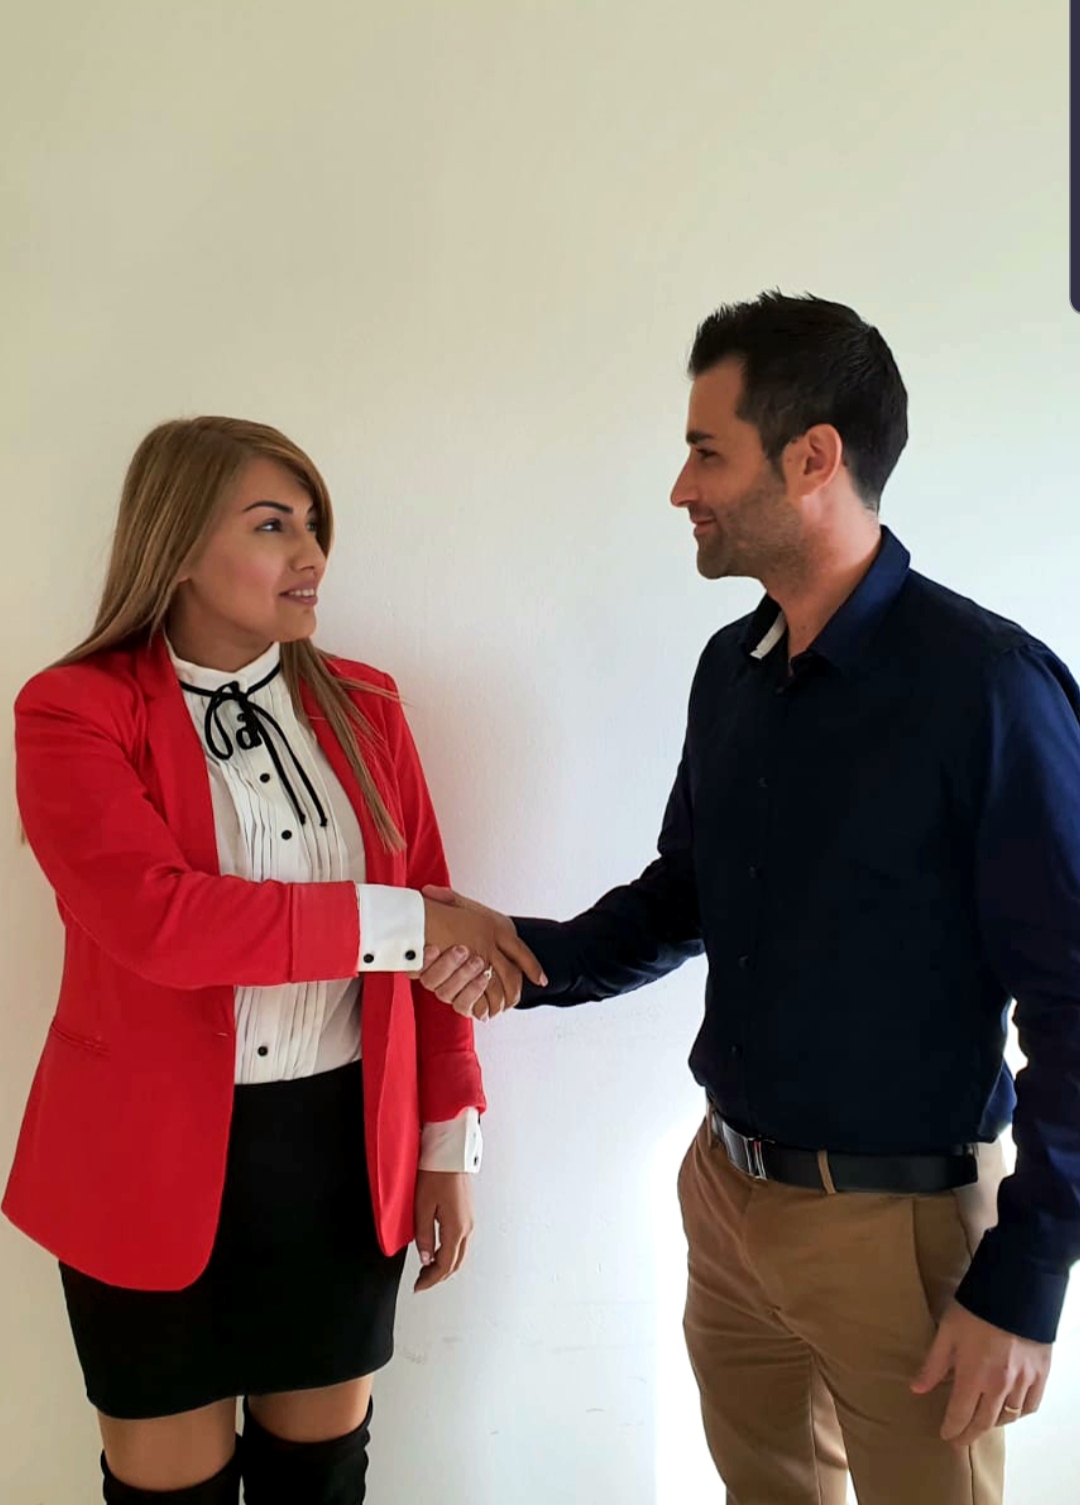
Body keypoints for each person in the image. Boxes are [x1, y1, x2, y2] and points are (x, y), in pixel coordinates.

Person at [417, 292, 1080, 1505]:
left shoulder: (989, 688)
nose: (682, 487)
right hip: (725, 1198)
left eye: (707, 452)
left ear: (813, 456)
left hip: (898, 1231)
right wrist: (522, 953)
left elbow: (1076, 999)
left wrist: (1028, 1275)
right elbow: (687, 894)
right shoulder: (733, 667)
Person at [4, 416, 543, 1505]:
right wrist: (410, 923)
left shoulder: (368, 705)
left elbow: (433, 945)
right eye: (272, 525)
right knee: (165, 1495)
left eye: (314, 525)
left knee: (320, 1483)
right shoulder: (73, 712)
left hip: (340, 1155)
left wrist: (450, 1144)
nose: (312, 554)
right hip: (139, 1164)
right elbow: (164, 923)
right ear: (177, 545)